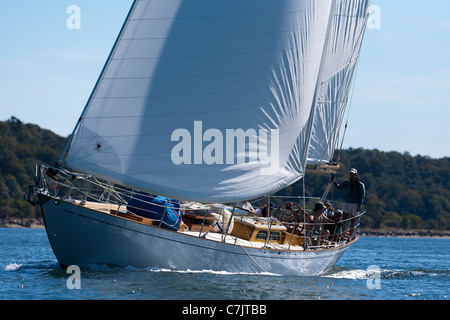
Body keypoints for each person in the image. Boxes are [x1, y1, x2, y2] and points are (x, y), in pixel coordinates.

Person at [333, 168, 365, 240]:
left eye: (353, 174)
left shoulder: (360, 185)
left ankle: (350, 236)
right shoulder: (346, 182)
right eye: (350, 174)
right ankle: (343, 235)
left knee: (352, 221)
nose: (351, 175)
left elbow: (362, 196)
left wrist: (360, 206)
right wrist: (334, 182)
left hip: (355, 204)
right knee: (344, 219)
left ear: (356, 175)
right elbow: (339, 188)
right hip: (347, 203)